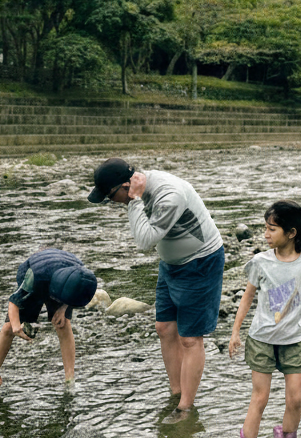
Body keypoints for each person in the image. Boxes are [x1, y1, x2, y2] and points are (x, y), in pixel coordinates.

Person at [88, 157, 225, 419]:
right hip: (171, 264)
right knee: (164, 328)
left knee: (190, 338)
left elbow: (144, 241)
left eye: (110, 196)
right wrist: (134, 200)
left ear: (126, 186)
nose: (111, 203)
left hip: (201, 262)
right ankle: (175, 393)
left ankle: (185, 407)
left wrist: (135, 201)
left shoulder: (168, 195)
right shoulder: (137, 191)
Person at [229, 200, 301, 438]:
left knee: (295, 399)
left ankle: (286, 435)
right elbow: (246, 299)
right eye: (265, 228)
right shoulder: (260, 262)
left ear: (291, 233)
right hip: (262, 339)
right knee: (260, 399)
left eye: (271, 229)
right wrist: (235, 332)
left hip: (296, 339)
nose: (265, 234)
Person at [0, 248, 98, 391]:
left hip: (63, 279)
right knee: (8, 328)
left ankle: (70, 380)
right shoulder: (33, 277)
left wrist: (62, 308)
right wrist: (16, 326)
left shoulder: (80, 277)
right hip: (37, 276)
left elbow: (74, 297)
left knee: (63, 324)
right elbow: (13, 302)